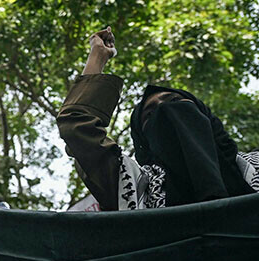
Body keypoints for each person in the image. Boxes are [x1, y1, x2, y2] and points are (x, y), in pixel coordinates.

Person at [57, 27, 259, 210]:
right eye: (150, 114)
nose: (167, 110)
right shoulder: (136, 189)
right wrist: (97, 57)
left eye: (175, 101)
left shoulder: (252, 167)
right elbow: (78, 129)